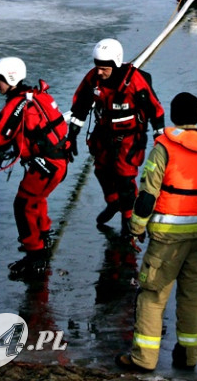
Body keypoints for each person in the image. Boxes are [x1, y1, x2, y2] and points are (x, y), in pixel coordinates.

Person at [115, 92, 197, 373]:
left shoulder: (164, 148)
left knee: (152, 297)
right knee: (192, 297)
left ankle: (144, 359)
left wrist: (136, 227)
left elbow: (148, 195)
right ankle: (189, 357)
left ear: (174, 116)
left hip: (166, 237)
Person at [69, 38, 165, 237]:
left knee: (125, 179)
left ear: (115, 63)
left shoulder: (134, 81)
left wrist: (159, 136)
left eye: (104, 68)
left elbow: (155, 109)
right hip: (103, 133)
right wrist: (72, 134)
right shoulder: (92, 79)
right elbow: (80, 105)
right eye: (97, 67)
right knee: (102, 171)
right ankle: (113, 203)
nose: (99, 72)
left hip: (130, 137)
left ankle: (128, 220)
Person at [0, 57, 69, 279]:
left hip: (47, 166)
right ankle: (43, 236)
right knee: (36, 199)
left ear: (10, 78)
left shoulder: (17, 104)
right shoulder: (37, 96)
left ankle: (34, 255)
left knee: (23, 205)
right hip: (58, 162)